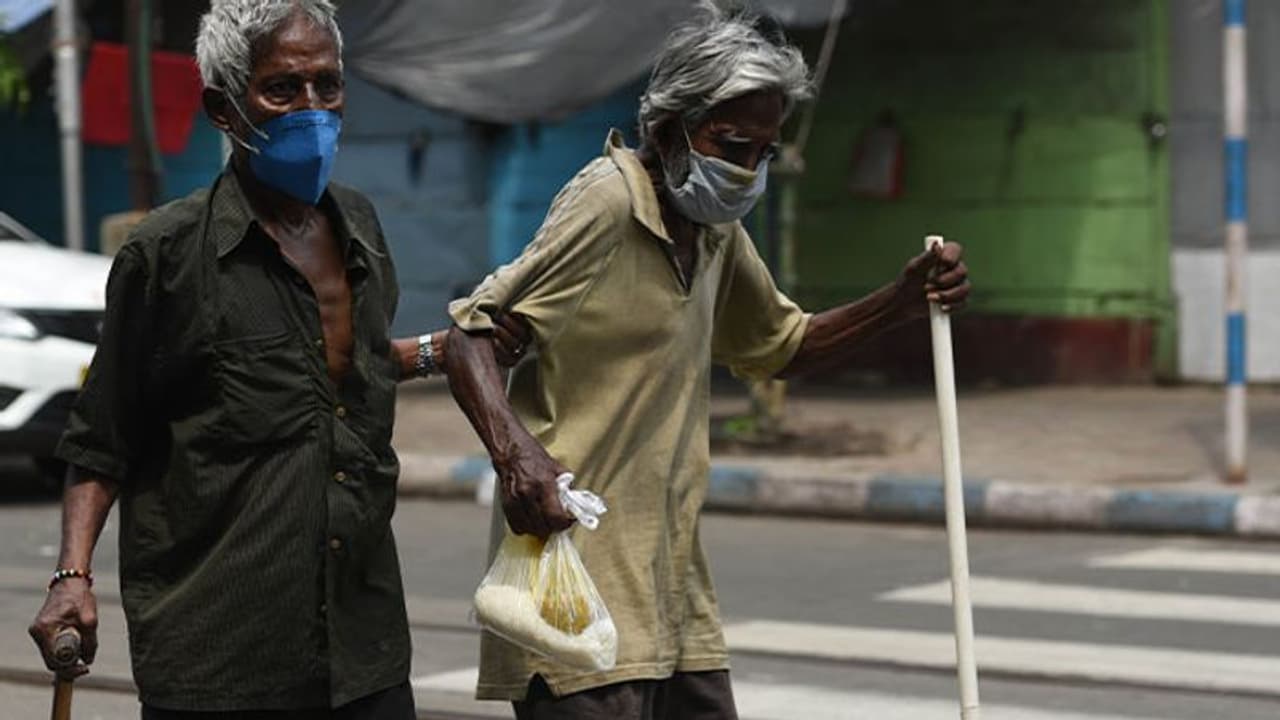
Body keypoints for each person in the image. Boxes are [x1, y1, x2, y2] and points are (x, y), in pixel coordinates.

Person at [443, 6, 970, 719]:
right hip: (575, 570)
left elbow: (781, 346)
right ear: (669, 130)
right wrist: (519, 459)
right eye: (732, 144)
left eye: (763, 152)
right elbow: (471, 335)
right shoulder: (608, 202)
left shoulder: (714, 228)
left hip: (671, 580)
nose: (746, 170)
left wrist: (900, 302)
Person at [27, 1, 526, 717]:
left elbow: (337, 367)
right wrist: (71, 576)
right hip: (221, 657)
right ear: (224, 110)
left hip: (363, 649)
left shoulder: (359, 226)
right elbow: (102, 437)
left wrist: (442, 352)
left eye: (328, 85)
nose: (312, 109)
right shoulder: (166, 255)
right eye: (282, 90)